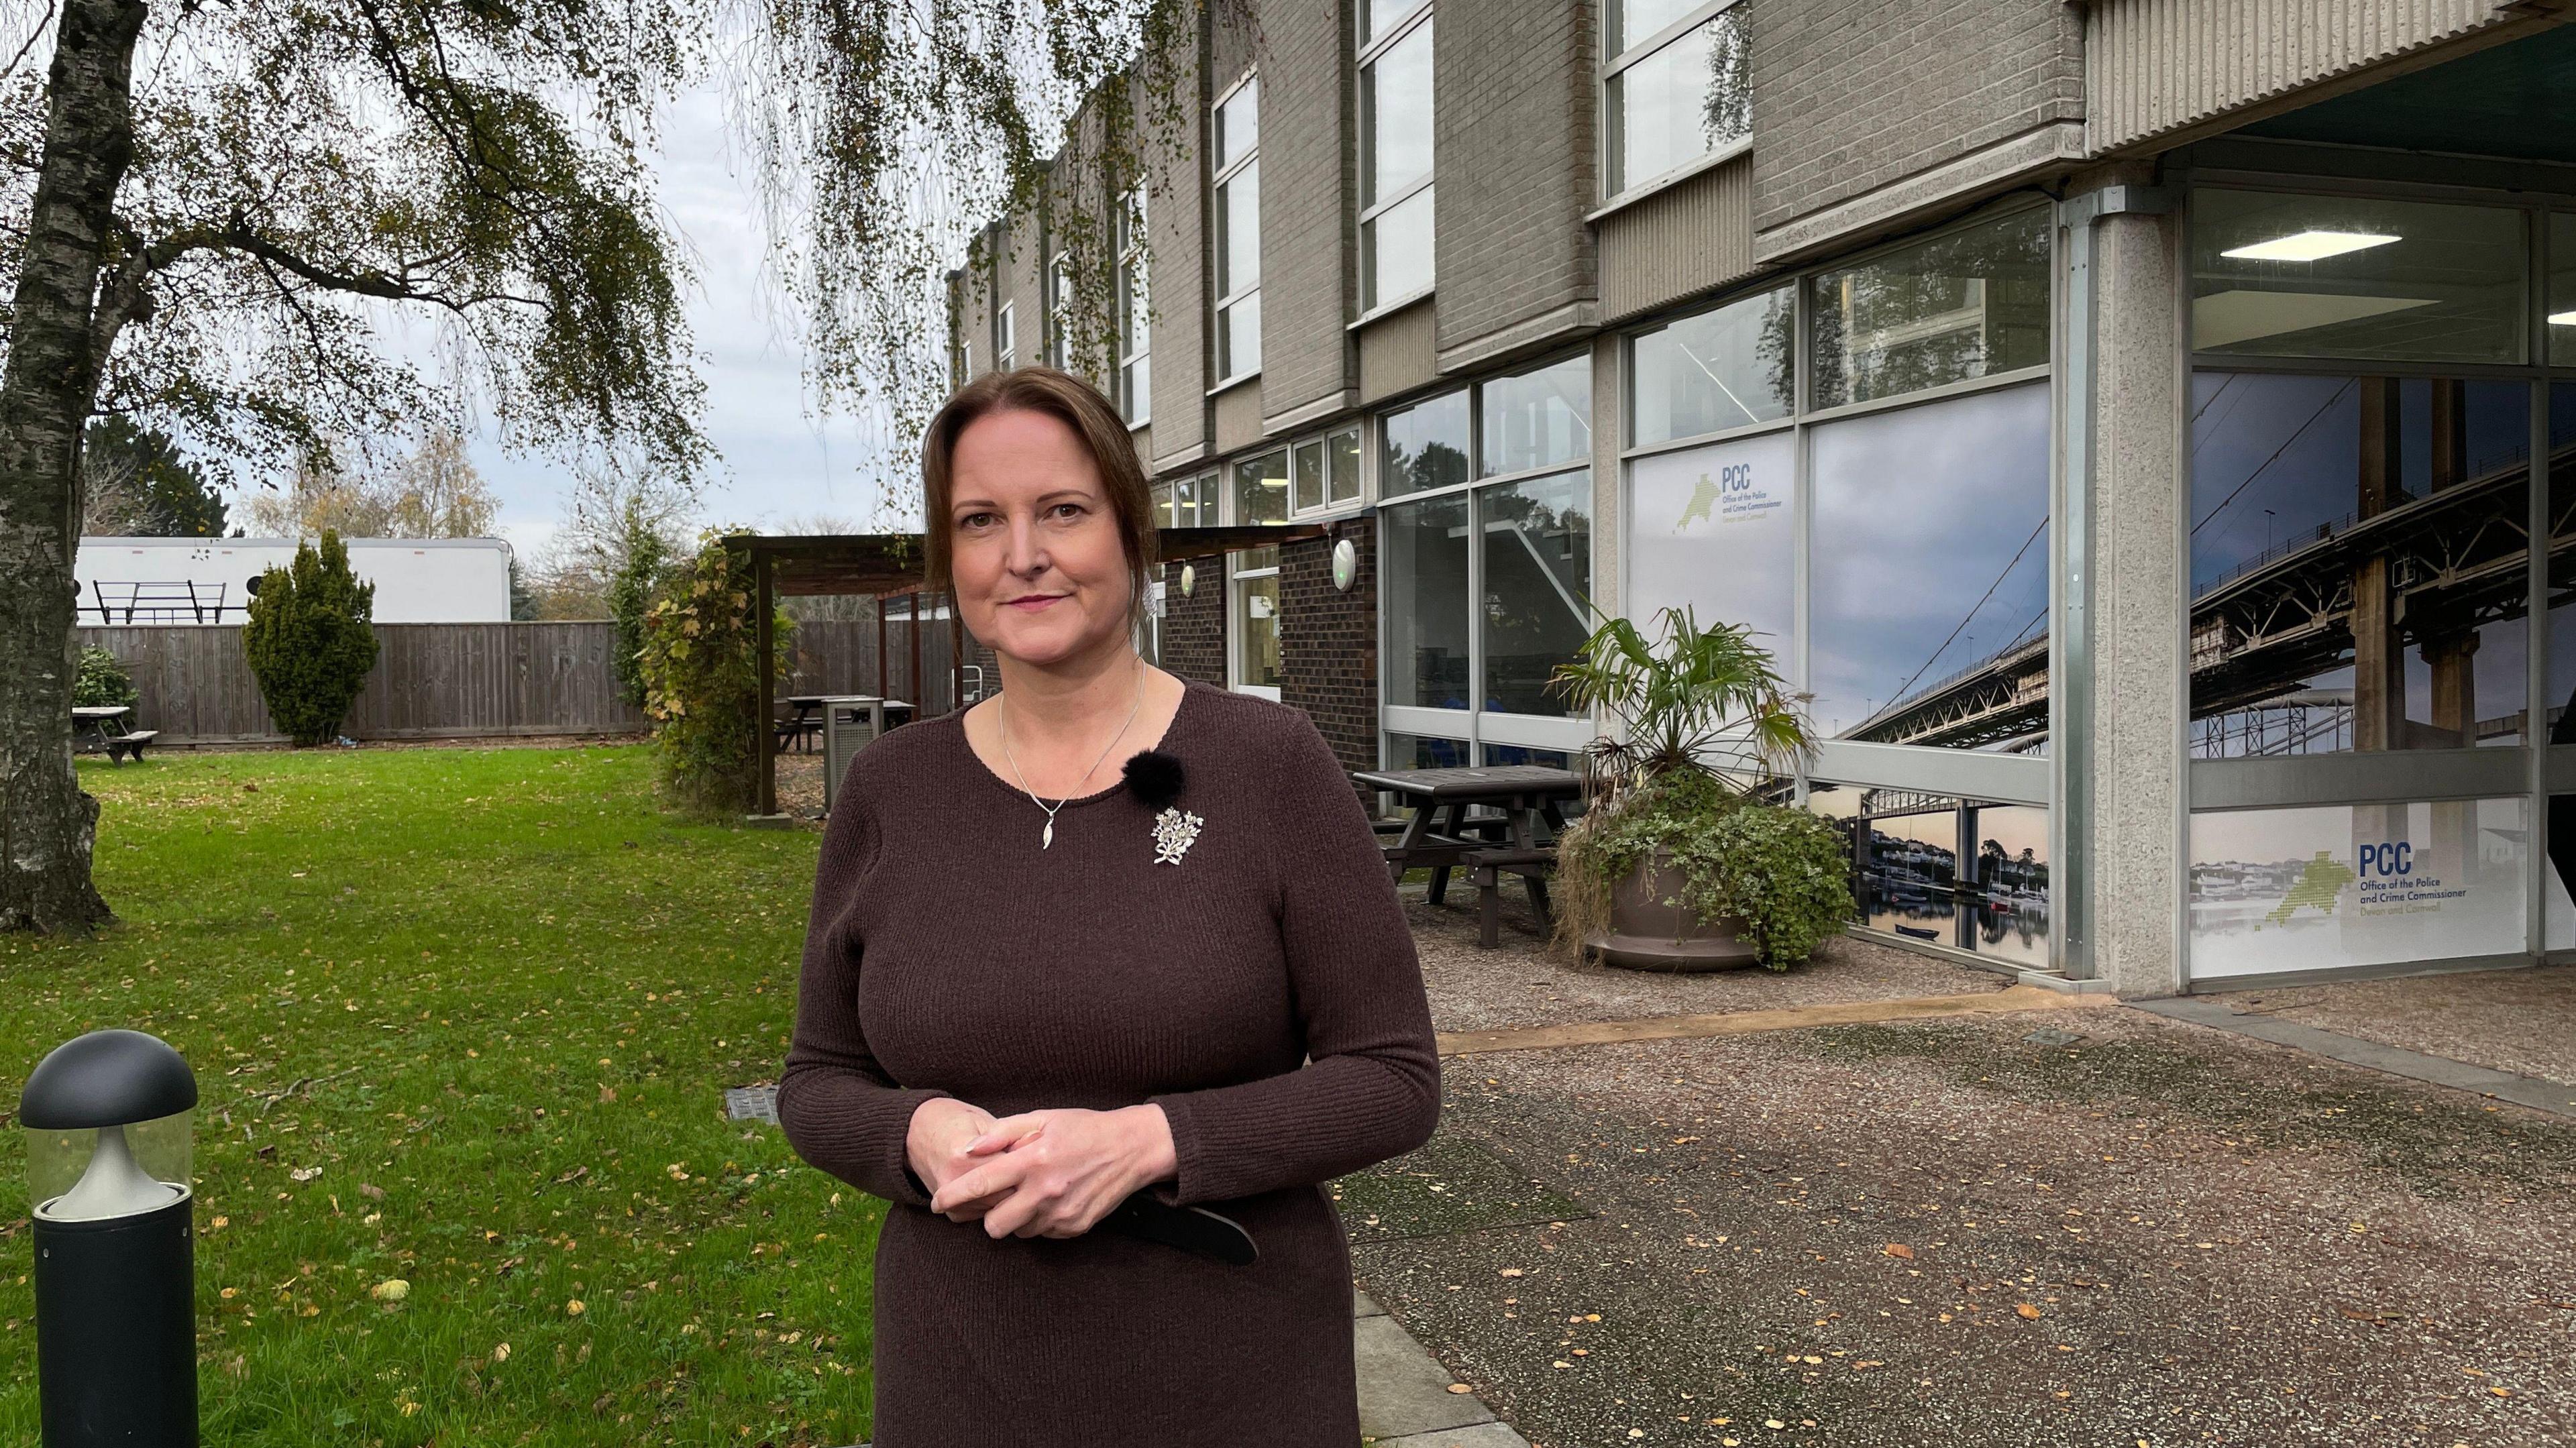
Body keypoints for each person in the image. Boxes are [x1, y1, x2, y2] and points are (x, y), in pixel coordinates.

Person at [777, 366, 1440, 1447]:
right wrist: (915, 1131)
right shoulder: (890, 791)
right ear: (952, 560)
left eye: (1064, 512)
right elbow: (817, 1081)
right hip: (962, 1383)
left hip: (1232, 1384)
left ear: (1132, 535)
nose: (1022, 554)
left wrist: (1152, 1142)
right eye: (981, 521)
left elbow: (1396, 1081)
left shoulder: (1271, 766)